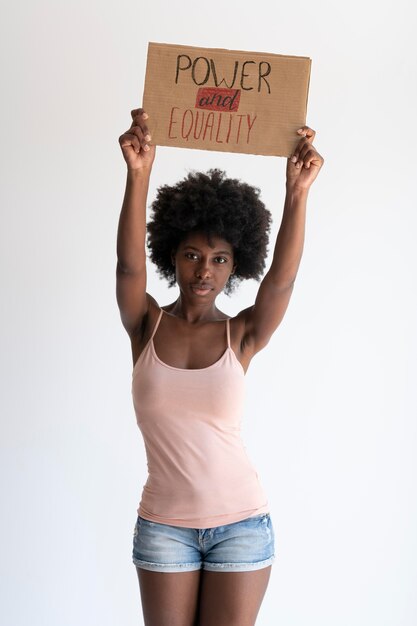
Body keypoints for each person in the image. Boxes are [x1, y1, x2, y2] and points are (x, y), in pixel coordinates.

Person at [117, 107, 324, 626]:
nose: (203, 271)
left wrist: (297, 193)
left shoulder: (242, 334)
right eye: (191, 255)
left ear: (236, 266)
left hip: (241, 523)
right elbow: (126, 267)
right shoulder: (146, 324)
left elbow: (282, 281)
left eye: (219, 259)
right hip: (164, 526)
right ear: (172, 256)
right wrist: (138, 174)